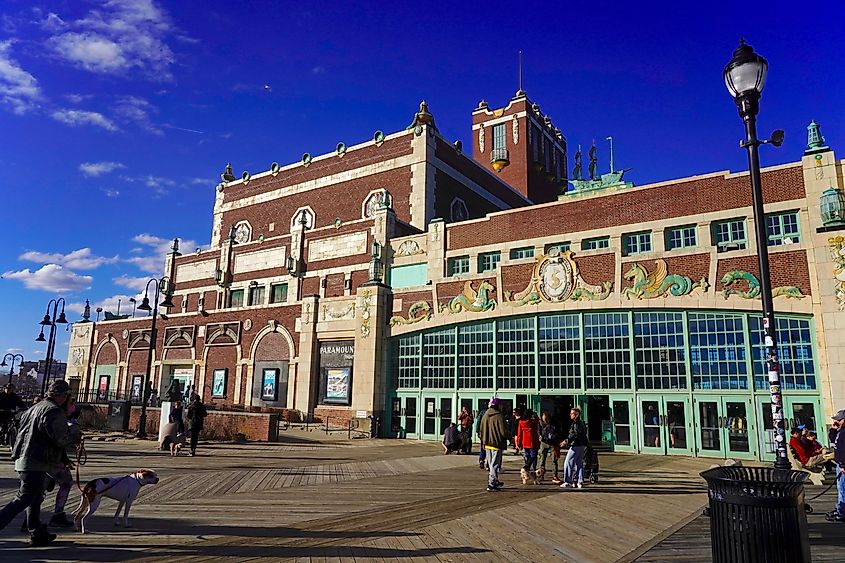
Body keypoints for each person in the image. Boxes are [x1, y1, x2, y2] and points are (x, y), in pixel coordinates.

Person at [0, 379, 73, 546]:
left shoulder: (35, 408)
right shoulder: (54, 411)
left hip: (24, 458)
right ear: (62, 396)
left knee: (35, 496)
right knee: (23, 498)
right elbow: (60, 439)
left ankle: (37, 532)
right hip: (36, 460)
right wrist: (74, 434)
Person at [479, 397, 508, 492]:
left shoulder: (486, 414)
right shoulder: (499, 416)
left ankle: (495, 480)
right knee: (495, 464)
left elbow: (481, 429)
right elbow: (503, 431)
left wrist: (483, 440)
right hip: (496, 443)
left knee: (491, 463)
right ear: (498, 405)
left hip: (487, 443)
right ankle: (491, 483)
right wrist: (509, 437)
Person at [560, 406, 588, 489]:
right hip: (581, 445)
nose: (570, 415)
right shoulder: (581, 423)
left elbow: (575, 434)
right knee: (579, 463)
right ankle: (580, 481)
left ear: (576, 415)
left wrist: (566, 441)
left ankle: (568, 481)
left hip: (575, 445)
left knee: (568, 462)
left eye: (572, 413)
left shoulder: (576, 423)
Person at [825, 410, 845, 522]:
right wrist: (833, 429)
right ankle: (840, 509)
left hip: (843, 465)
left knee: (843, 489)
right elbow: (834, 441)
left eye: (839, 420)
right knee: (841, 488)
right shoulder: (841, 431)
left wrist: (842, 464)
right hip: (840, 464)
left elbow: (843, 450)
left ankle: (842, 512)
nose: (837, 422)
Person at [539, 411, 562, 484]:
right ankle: (541, 474)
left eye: (546, 419)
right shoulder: (540, 423)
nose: (545, 421)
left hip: (553, 443)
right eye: (543, 419)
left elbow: (559, 432)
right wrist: (540, 437)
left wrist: (556, 439)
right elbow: (538, 431)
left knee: (554, 460)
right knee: (542, 458)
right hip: (544, 442)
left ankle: (555, 475)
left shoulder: (554, 423)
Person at [516, 409, 540, 481]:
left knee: (527, 456)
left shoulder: (521, 422)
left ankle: (527, 472)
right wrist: (535, 416)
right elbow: (537, 421)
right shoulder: (532, 422)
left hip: (525, 441)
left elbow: (519, 434)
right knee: (533, 456)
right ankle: (527, 467)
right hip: (532, 441)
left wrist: (519, 443)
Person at [476, 405, 488, 470]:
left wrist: (477, 431)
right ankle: (488, 463)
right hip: (490, 432)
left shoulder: (482, 412)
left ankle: (481, 460)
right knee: (490, 448)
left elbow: (478, 422)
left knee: (483, 447)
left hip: (482, 432)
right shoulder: (495, 413)